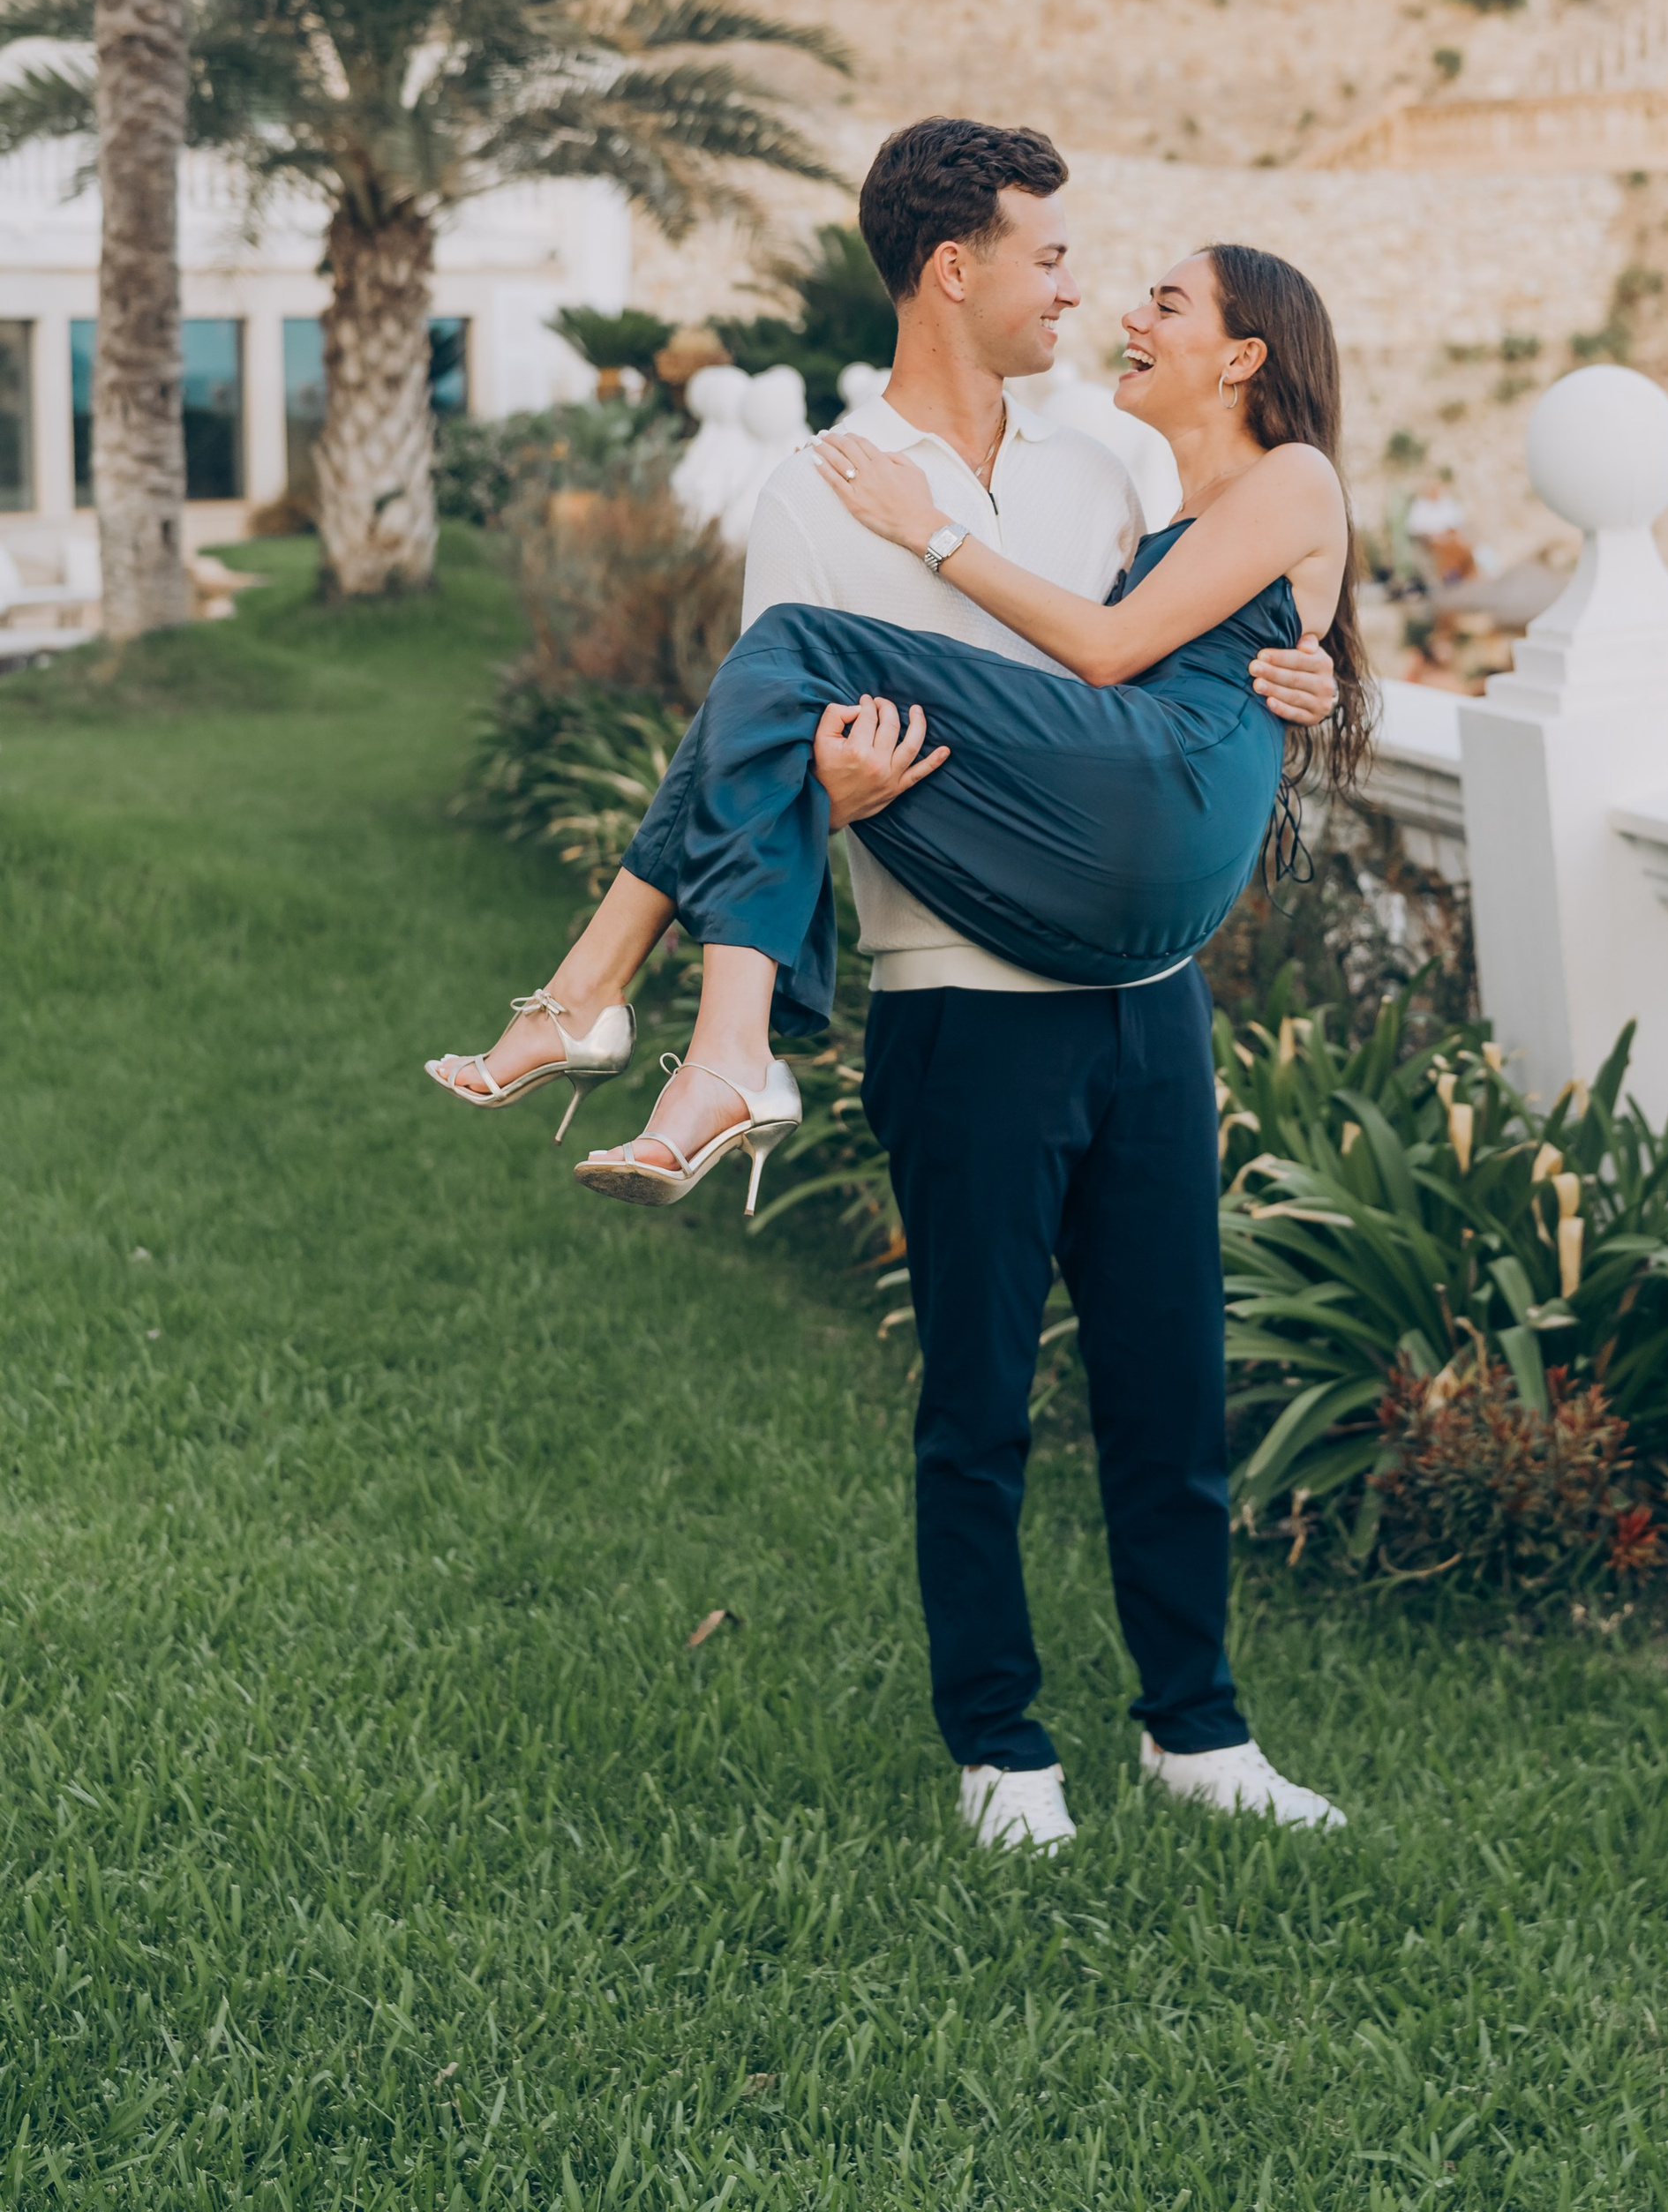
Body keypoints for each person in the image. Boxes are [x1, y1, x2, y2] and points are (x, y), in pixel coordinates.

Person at [430, 120, 1364, 1852]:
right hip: (960, 994)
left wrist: (1297, 673)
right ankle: (1003, 1755)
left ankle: (1201, 1733)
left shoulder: (1116, 463)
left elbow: (1182, 658)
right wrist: (840, 798)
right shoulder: (819, 486)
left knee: (1170, 1386)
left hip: (1145, 998)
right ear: (956, 266)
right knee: (976, 1405)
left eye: (1112, 278)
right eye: (1050, 257)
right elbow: (765, 762)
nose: (1082, 293)